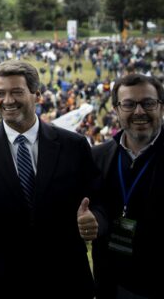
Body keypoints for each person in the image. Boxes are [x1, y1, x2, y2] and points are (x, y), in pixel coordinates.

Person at [0, 60, 97, 299]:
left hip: (67, 278)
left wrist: (95, 218)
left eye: (17, 92)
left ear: (36, 95)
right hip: (6, 280)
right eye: (0, 93)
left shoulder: (73, 146)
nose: (8, 100)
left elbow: (97, 199)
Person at [91, 73, 164, 299]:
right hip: (110, 283)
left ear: (161, 108)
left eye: (148, 103)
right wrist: (93, 220)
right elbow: (94, 205)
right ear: (116, 109)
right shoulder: (97, 157)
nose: (139, 111)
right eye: (129, 104)